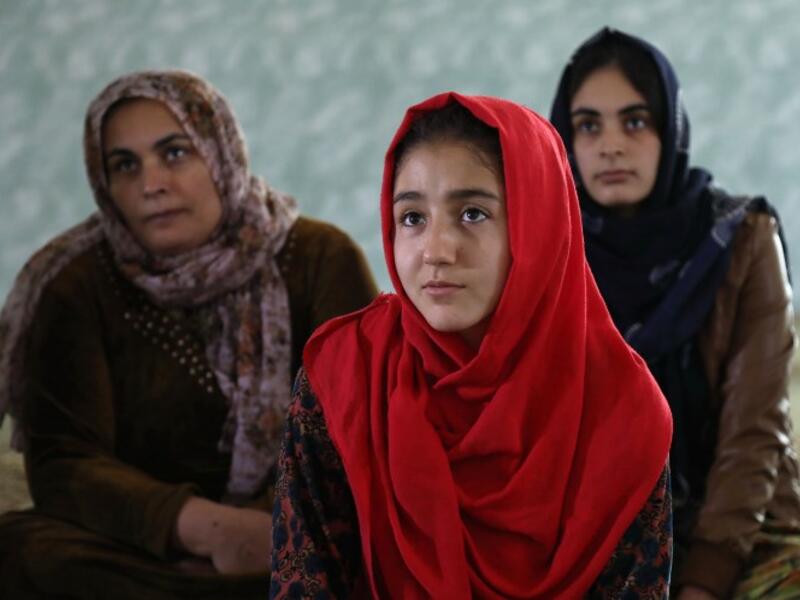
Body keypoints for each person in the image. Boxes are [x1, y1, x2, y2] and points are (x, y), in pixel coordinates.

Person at [269, 93, 673, 599]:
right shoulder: (345, 376)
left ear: (541, 225)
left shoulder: (623, 412)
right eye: (412, 218)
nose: (436, 251)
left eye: (473, 214)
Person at [0, 70, 378, 599]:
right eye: (124, 165)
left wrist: (264, 528)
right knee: (18, 549)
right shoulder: (77, 284)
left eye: (175, 153)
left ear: (221, 153)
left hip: (293, 531)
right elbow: (64, 463)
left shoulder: (319, 259)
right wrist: (203, 530)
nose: (151, 183)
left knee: (369, 545)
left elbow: (356, 435)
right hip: (145, 550)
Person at [550, 27, 800, 599]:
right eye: (588, 125)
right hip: (595, 543)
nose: (610, 144)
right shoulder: (549, 254)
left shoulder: (741, 240)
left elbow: (754, 433)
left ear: (671, 127)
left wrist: (703, 583)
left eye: (634, 121)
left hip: (745, 534)